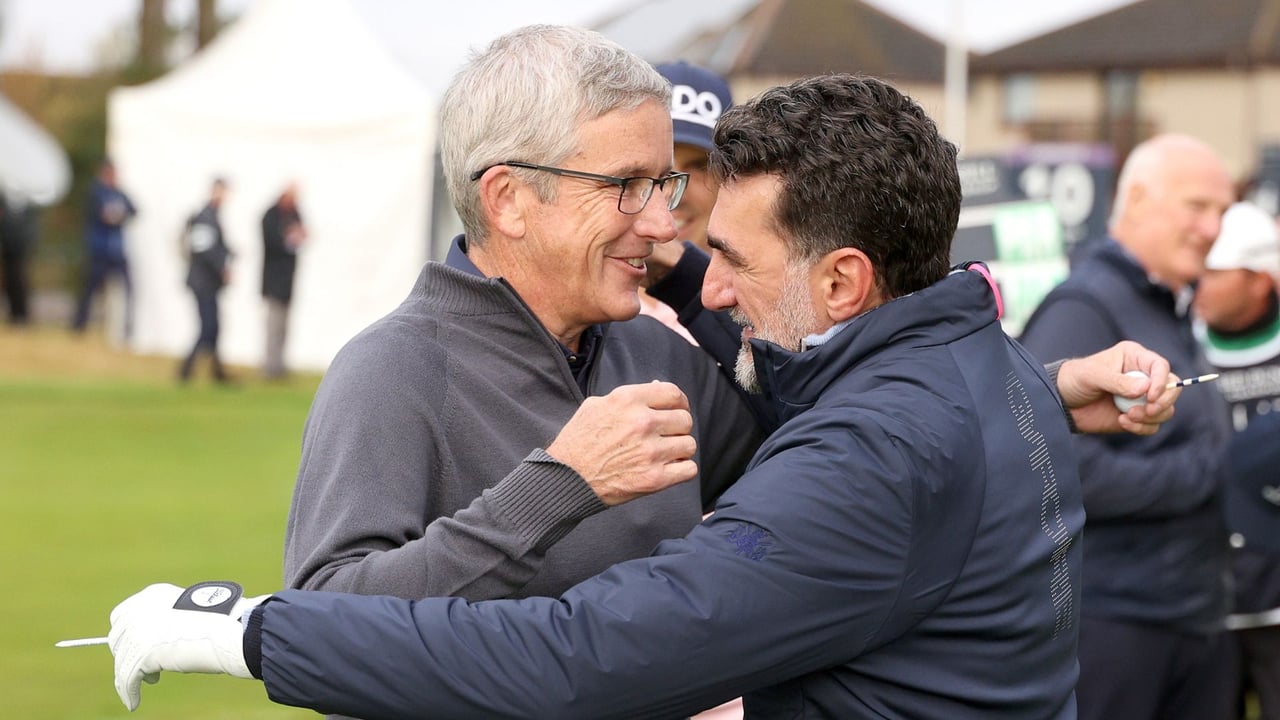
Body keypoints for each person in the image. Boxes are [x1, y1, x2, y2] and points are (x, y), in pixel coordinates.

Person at [107, 72, 1186, 719]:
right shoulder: (981, 360)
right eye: (627, 185)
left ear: (845, 280)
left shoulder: (857, 442)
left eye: (686, 214)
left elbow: (582, 659)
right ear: (506, 200)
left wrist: (246, 634)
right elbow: (347, 590)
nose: (687, 266)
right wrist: (1052, 385)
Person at [1019, 133, 1238, 720]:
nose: (1214, 227)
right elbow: (1048, 467)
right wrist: (1213, 473)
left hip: (1190, 617)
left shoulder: (1168, 303)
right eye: (1197, 206)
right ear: (1137, 197)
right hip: (1116, 624)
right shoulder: (1085, 307)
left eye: (1223, 210)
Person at [1192, 201, 1280, 720]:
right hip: (1207, 601)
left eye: (1216, 273)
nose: (1199, 283)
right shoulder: (1179, 344)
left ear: (1259, 281)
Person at [71, 159, 136, 336]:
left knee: (129, 289)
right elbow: (97, 214)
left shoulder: (118, 193)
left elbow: (134, 210)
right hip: (99, 250)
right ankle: (79, 326)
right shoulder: (95, 192)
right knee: (90, 289)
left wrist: (119, 215)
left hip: (116, 250)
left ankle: (128, 329)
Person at [178, 178, 233, 384]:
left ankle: (216, 372)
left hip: (209, 282)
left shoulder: (212, 217)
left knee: (213, 327)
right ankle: (185, 370)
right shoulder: (205, 217)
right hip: (203, 283)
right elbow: (204, 251)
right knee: (208, 327)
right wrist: (223, 266)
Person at [260, 182, 307, 379]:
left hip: (288, 282)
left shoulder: (294, 213)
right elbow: (272, 242)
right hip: (273, 281)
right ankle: (270, 367)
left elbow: (301, 235)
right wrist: (289, 238)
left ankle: (280, 366)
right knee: (273, 325)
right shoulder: (271, 216)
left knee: (284, 327)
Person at [0, 188, 38, 325]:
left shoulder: (28, 209)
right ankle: (13, 314)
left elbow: (30, 230)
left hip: (20, 248)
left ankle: (22, 314)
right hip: (8, 247)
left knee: (20, 280)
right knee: (9, 281)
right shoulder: (5, 203)